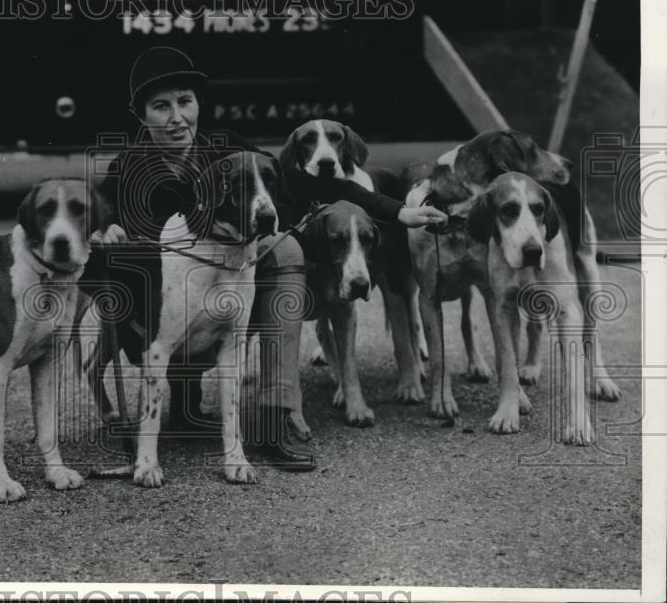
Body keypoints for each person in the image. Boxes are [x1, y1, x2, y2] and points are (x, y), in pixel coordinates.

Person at [89, 46, 446, 471]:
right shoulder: (128, 168)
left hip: (233, 301)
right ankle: (179, 413)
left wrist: (398, 212)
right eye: (161, 107)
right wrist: (104, 229)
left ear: (198, 103)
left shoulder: (231, 149)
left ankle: (274, 419)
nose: (176, 117)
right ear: (142, 114)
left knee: (286, 249)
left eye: (185, 102)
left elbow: (319, 187)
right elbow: (96, 216)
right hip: (157, 318)